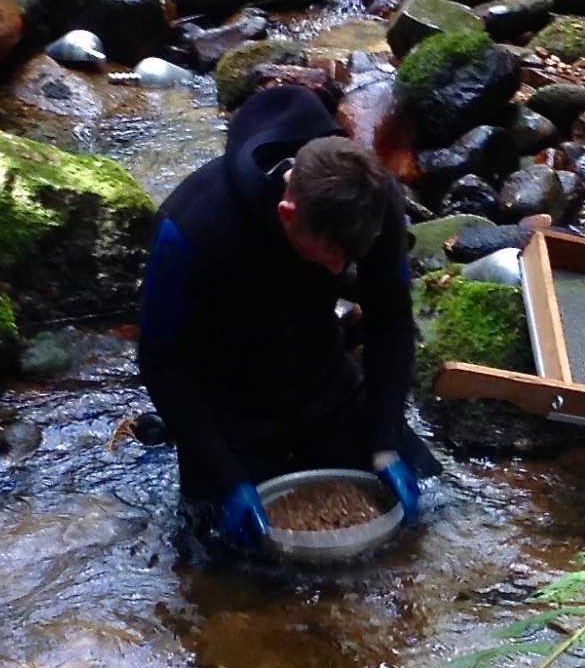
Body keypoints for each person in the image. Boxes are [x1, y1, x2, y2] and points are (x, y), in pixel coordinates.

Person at [137, 82, 430, 552]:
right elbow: (161, 362)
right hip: (225, 407)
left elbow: (391, 320)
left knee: (425, 516)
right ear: (287, 212)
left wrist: (385, 439)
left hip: (322, 381)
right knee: (228, 561)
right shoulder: (193, 226)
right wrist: (226, 476)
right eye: (328, 258)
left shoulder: (373, 201)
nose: (339, 272)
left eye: (350, 259)